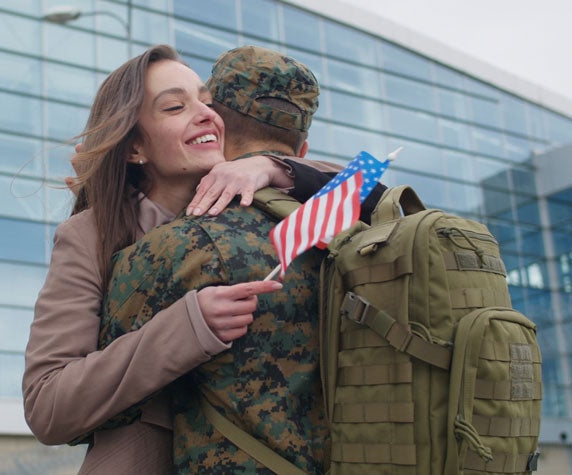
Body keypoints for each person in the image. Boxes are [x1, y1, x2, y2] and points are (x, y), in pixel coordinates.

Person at [23, 44, 361, 474]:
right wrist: (187, 328)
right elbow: (47, 404)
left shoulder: (255, 203)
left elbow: (368, 186)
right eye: (175, 107)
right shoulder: (90, 236)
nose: (205, 114)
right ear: (134, 148)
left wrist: (275, 168)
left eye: (206, 100)